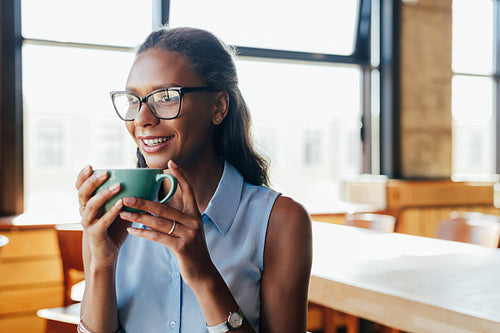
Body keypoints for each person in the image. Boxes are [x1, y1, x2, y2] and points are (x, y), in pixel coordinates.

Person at [75, 26, 312, 333]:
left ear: (218, 107)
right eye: (134, 100)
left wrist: (202, 273)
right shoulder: (110, 218)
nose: (142, 119)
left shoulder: (281, 221)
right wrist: (101, 264)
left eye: (165, 97)